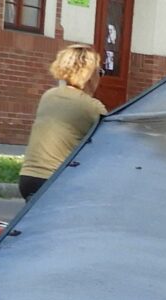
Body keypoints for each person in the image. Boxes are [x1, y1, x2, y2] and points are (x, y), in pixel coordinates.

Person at [18, 44, 107, 197]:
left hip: (28, 178)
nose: (100, 77)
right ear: (90, 74)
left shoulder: (49, 95)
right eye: (100, 72)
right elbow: (109, 142)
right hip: (55, 181)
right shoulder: (92, 107)